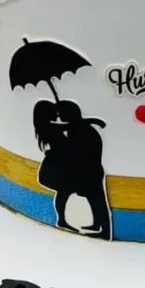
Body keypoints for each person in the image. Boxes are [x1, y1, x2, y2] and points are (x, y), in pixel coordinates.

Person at [32, 99, 111, 240]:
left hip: (87, 170)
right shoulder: (52, 128)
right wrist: (92, 121)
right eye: (55, 113)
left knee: (94, 199)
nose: (58, 116)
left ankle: (101, 228)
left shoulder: (80, 130)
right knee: (70, 192)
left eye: (60, 113)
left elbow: (77, 147)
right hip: (60, 168)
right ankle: (63, 220)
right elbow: (69, 137)